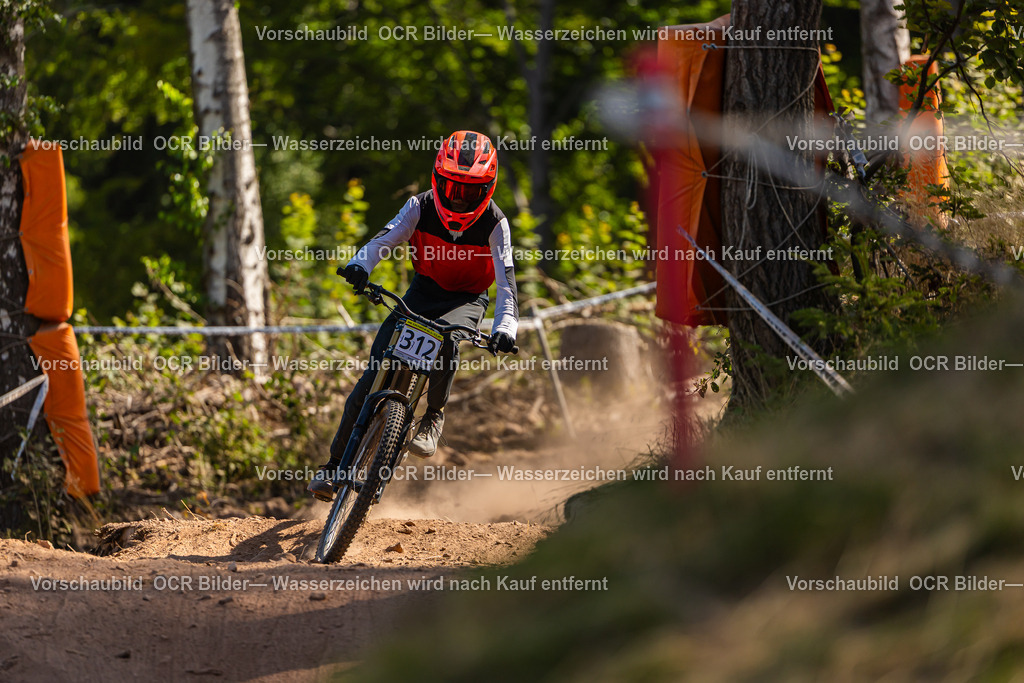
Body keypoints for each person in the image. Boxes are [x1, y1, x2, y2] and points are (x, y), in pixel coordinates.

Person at [309, 130, 519, 501]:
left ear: (488, 188)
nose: (458, 198)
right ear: (437, 179)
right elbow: (382, 241)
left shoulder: (495, 224)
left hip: (468, 299)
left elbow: (506, 286)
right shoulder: (418, 206)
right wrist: (360, 266)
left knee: (450, 340)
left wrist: (505, 328)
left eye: (469, 191)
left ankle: (433, 415)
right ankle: (333, 466)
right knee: (370, 379)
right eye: (452, 187)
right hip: (423, 291)